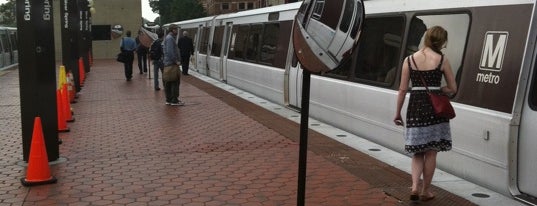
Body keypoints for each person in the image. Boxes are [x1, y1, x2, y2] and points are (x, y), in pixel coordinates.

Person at [393, 26, 457, 202]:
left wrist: (398, 113)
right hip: (435, 110)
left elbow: (402, 90)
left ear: (427, 38)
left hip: (415, 108)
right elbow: (453, 88)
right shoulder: (442, 60)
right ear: (442, 42)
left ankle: (414, 187)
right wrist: (438, 89)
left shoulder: (409, 60)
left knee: (417, 152)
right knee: (431, 152)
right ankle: (425, 191)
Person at [163, 25, 183, 106]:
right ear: (172, 30)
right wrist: (176, 61)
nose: (177, 31)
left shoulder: (168, 38)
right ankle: (174, 100)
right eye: (176, 29)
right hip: (172, 64)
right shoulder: (170, 39)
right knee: (174, 81)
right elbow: (170, 51)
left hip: (168, 64)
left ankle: (169, 99)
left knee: (168, 82)